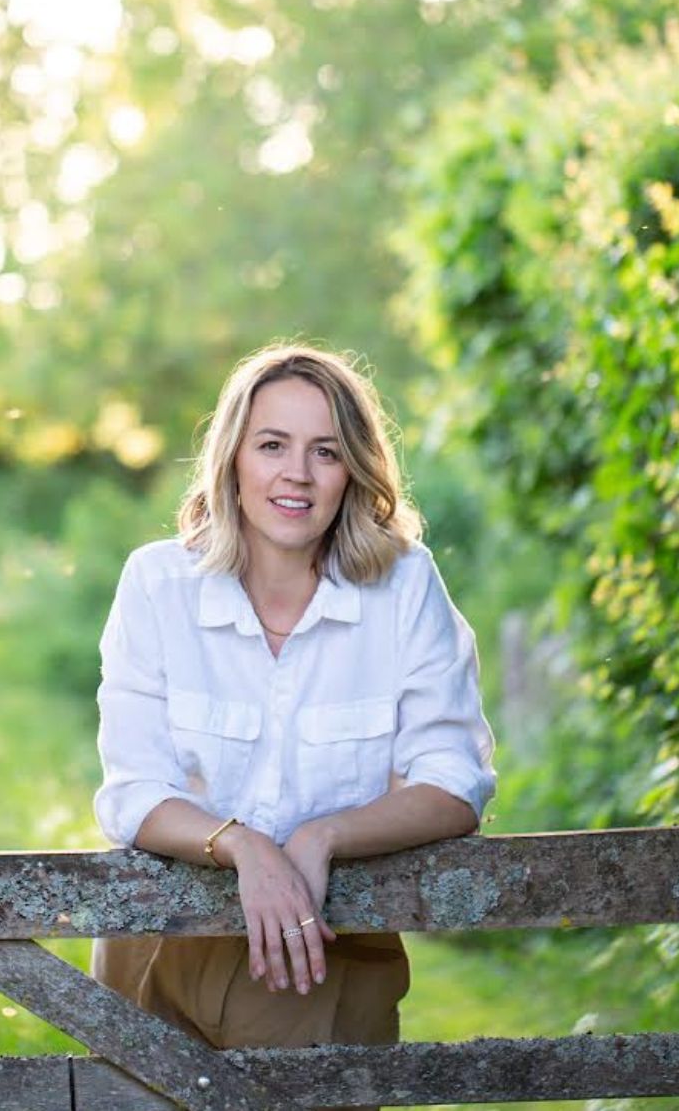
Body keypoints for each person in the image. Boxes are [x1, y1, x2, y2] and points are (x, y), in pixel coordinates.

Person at [90, 342, 496, 1073]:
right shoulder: (157, 585)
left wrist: (322, 836)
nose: (297, 474)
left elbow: (454, 782)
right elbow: (134, 791)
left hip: (323, 961)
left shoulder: (404, 587)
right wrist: (244, 846)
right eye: (272, 445)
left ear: (353, 471)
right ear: (232, 459)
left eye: (326, 452)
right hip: (158, 950)